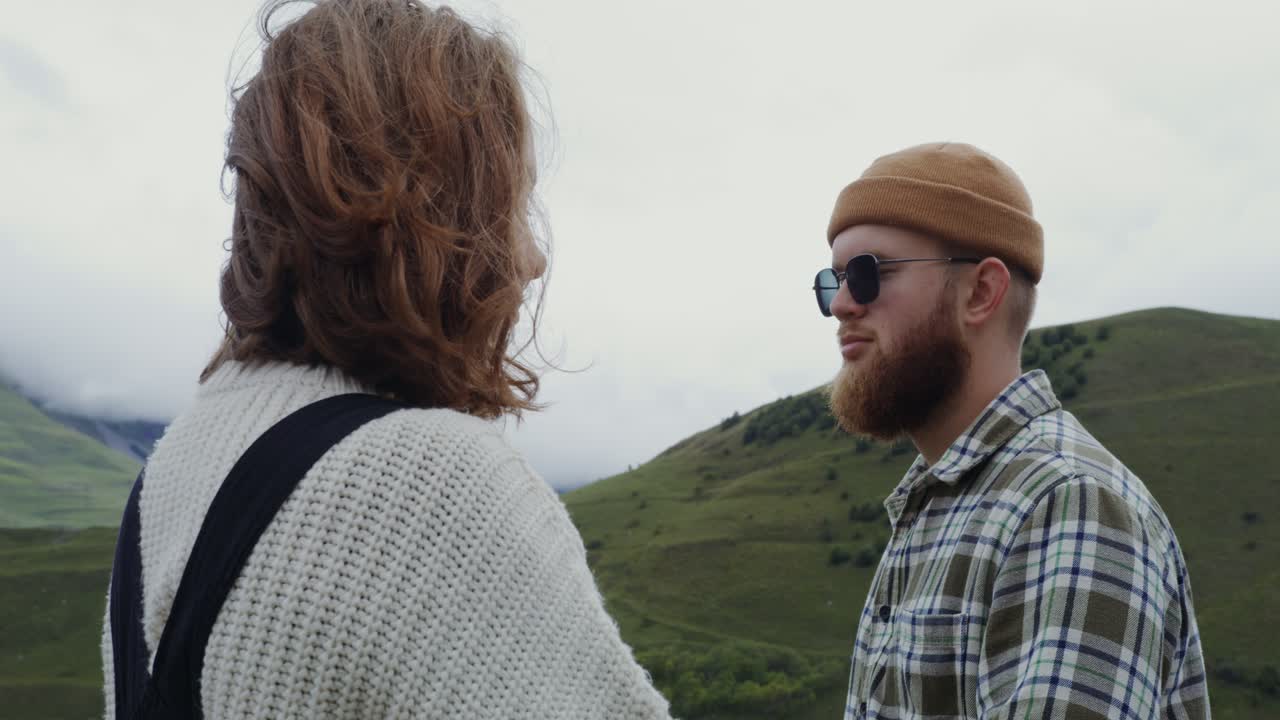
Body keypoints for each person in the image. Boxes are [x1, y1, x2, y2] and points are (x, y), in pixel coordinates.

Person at [99, 1, 671, 717]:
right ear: (436, 215)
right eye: (511, 207)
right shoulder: (433, 485)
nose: (531, 259)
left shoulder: (172, 470)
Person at [814, 142, 1209, 720]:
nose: (842, 305)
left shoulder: (1071, 506)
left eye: (870, 273)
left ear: (981, 293)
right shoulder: (944, 502)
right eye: (834, 279)